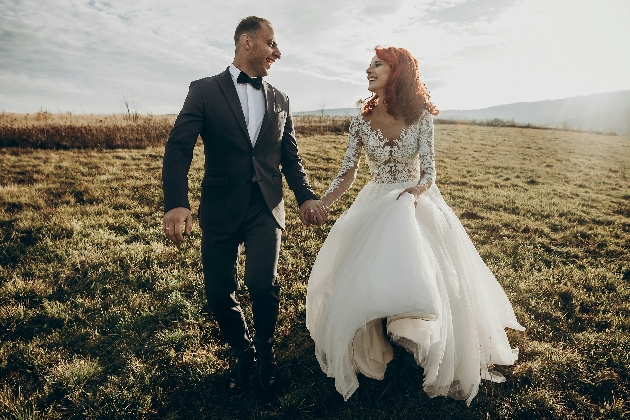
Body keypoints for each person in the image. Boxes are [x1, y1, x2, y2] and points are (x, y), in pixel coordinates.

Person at [305, 46, 524, 405]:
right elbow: (349, 170)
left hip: (415, 196)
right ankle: (376, 333)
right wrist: (325, 202)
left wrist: (416, 190)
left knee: (419, 254)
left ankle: (416, 331)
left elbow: (430, 170)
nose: (368, 70)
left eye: (377, 65)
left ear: (398, 73)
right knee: (364, 265)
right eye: (369, 64)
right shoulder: (360, 118)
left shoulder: (421, 115)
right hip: (376, 197)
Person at [162, 16, 328, 393]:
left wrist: (305, 197)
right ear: (246, 41)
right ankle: (242, 351)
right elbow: (179, 146)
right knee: (219, 291)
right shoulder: (203, 90)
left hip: (266, 206)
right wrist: (176, 202)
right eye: (272, 43)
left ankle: (267, 353)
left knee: (261, 282)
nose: (278, 52)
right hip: (219, 205)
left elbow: (291, 158)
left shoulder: (282, 100)